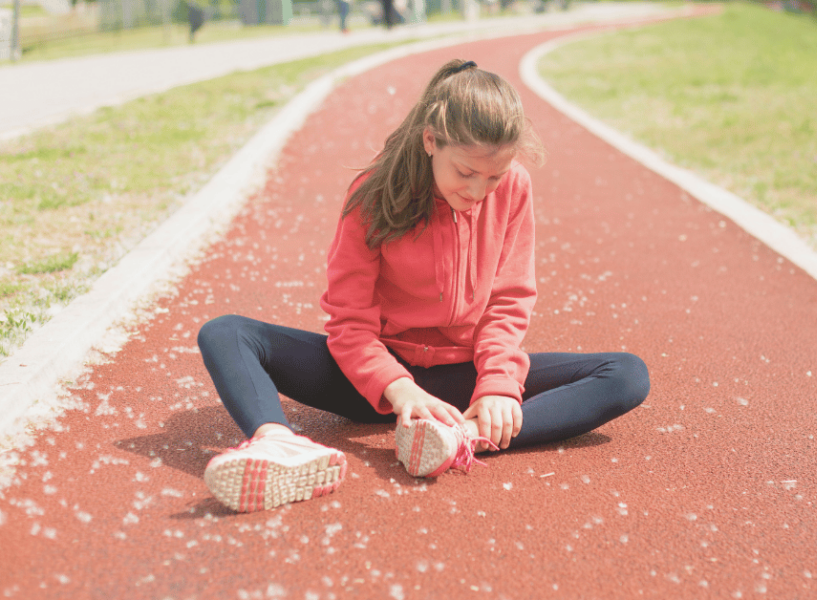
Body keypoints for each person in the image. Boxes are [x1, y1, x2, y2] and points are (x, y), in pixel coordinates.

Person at [197, 59, 650, 513]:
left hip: (462, 379)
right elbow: (350, 323)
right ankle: (280, 445)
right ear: (430, 141)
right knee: (226, 333)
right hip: (374, 384)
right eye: (466, 173)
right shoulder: (371, 195)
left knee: (626, 374)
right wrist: (398, 388)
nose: (478, 190)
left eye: (493, 176)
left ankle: (461, 438)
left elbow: (508, 302)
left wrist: (496, 386)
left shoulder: (514, 188)